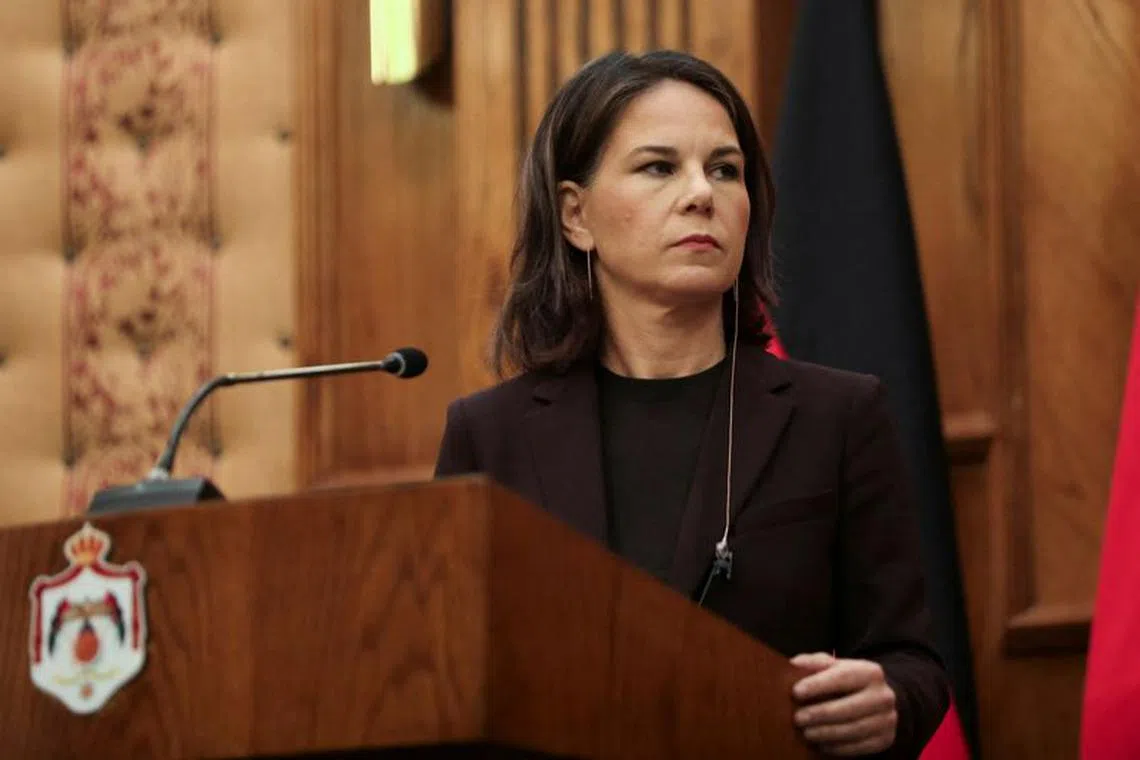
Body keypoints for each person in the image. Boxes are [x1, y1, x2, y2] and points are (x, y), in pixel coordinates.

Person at [434, 50, 949, 758]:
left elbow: (913, 663)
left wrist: (888, 700)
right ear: (576, 215)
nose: (701, 193)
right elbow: (447, 680)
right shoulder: (488, 436)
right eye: (659, 167)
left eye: (725, 169)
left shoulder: (840, 417)